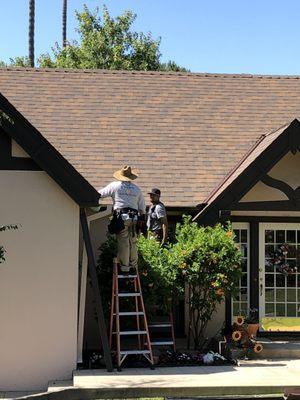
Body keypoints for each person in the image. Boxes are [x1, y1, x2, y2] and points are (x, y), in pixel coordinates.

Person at [98, 165, 146, 272]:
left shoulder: (115, 186)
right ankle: (133, 265)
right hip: (134, 218)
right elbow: (142, 209)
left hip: (122, 217)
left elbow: (99, 194)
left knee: (124, 242)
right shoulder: (137, 189)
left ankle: (125, 267)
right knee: (132, 242)